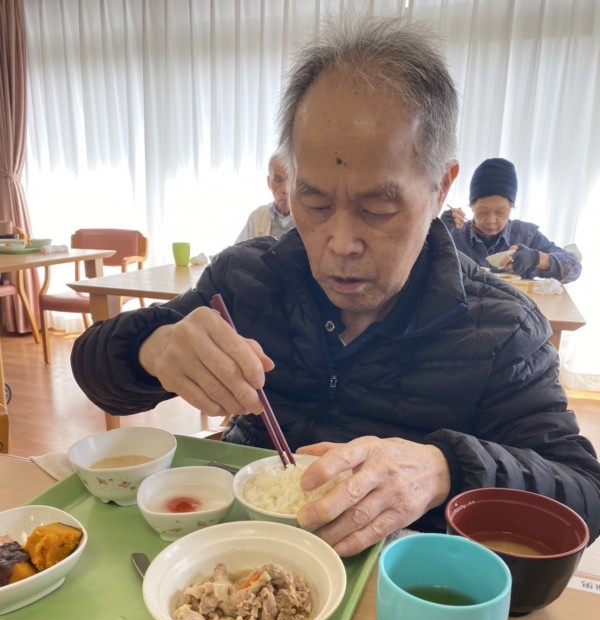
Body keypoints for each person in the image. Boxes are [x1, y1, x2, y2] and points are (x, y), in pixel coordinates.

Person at [71, 16, 600, 558]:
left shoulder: (502, 328)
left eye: (378, 208)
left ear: (440, 188)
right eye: (316, 203)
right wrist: (153, 348)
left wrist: (446, 468)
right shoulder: (249, 278)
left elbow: (585, 491)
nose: (340, 243)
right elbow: (96, 374)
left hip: (393, 583)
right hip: (240, 560)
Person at [442, 158, 582, 282]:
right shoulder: (455, 234)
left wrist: (536, 258)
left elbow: (574, 269)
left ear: (511, 207)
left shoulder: (526, 235)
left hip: (516, 304)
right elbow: (430, 274)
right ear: (471, 207)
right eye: (483, 212)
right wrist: (438, 231)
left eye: (500, 212)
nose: (491, 220)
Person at [235, 152, 295, 242]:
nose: (285, 190)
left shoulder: (310, 218)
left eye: (291, 180)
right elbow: (239, 249)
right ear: (269, 182)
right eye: (278, 180)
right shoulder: (257, 216)